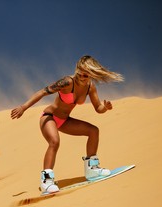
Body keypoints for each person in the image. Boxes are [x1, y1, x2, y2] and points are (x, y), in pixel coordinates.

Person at [10, 55, 124, 194]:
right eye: (80, 73)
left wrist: (105, 107)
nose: (82, 76)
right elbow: (42, 92)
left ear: (91, 75)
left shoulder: (90, 87)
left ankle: (92, 170)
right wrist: (23, 107)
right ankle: (46, 181)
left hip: (65, 121)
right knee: (54, 141)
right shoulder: (67, 82)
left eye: (86, 75)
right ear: (77, 70)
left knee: (94, 131)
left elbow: (98, 108)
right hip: (49, 117)